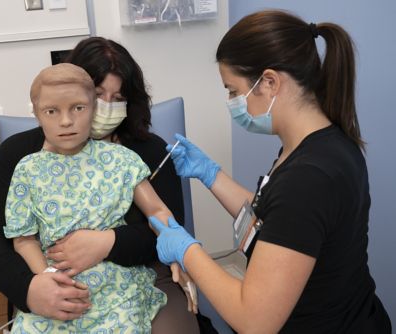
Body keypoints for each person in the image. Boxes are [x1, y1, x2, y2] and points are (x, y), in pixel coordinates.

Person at [148, 10, 392, 334]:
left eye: (233, 90)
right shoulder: (317, 143)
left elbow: (255, 321)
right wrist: (211, 175)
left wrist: (187, 250)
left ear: (270, 82)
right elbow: (278, 220)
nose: (231, 101)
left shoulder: (310, 178)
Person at [0, 36, 203, 333]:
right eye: (99, 94)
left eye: (119, 98)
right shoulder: (21, 159)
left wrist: (110, 243)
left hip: (133, 275)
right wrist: (33, 287)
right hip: (53, 281)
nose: (68, 120)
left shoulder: (135, 155)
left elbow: (164, 219)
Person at [5, 62, 175, 332]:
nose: (66, 120)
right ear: (37, 115)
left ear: (93, 109)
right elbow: (23, 238)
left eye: (78, 108)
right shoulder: (27, 170)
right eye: (52, 111)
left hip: (116, 284)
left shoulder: (120, 160)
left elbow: (158, 212)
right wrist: (47, 278)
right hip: (56, 287)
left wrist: (183, 253)